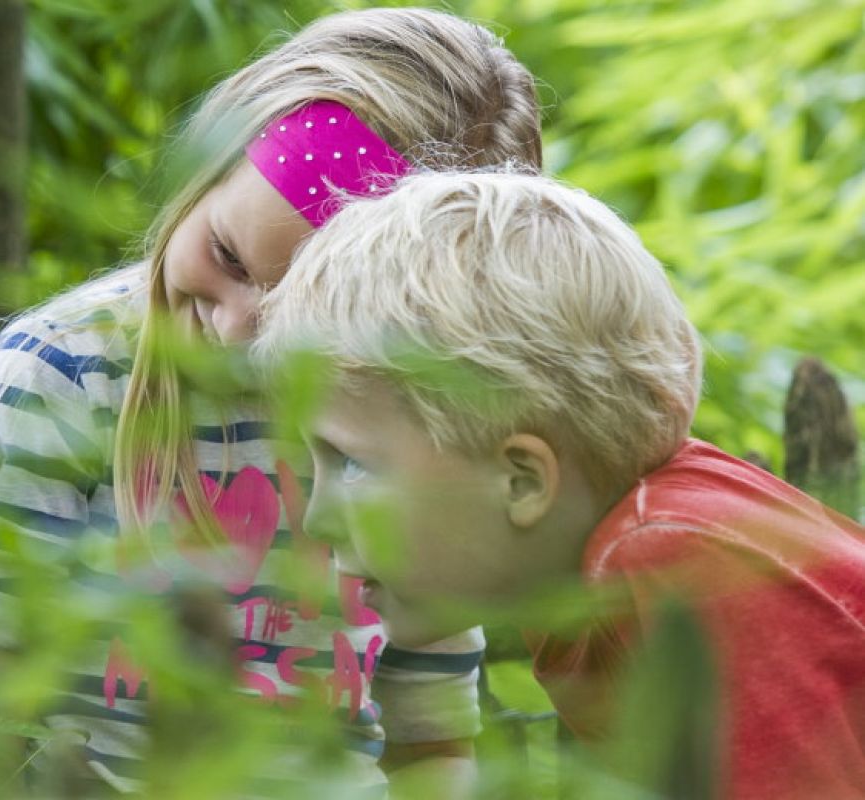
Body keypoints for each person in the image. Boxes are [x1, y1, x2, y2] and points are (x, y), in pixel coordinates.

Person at [0, 7, 544, 795]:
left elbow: (432, 742)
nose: (237, 328)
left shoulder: (405, 433)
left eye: (300, 316)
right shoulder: (65, 377)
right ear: (209, 163)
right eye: (226, 255)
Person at [254, 170, 865, 799]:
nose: (317, 516)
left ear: (521, 481)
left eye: (351, 462)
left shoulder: (680, 564)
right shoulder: (577, 577)